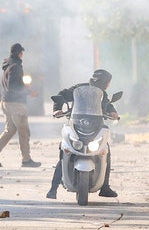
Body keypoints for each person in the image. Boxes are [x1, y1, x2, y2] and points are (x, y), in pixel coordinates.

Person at [46, 69, 119, 199]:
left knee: (105, 150)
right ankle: (53, 188)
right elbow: (61, 95)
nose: (108, 85)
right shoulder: (79, 89)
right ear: (104, 82)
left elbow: (108, 105)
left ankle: (105, 186)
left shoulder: (103, 94)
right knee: (66, 150)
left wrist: (113, 112)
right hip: (77, 125)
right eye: (108, 82)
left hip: (95, 127)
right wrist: (57, 109)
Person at [0, 43, 41, 168]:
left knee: (10, 129)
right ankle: (26, 160)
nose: (23, 55)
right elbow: (13, 86)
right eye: (22, 53)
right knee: (24, 132)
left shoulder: (8, 65)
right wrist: (28, 91)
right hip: (16, 104)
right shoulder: (16, 67)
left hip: (5, 102)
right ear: (18, 53)